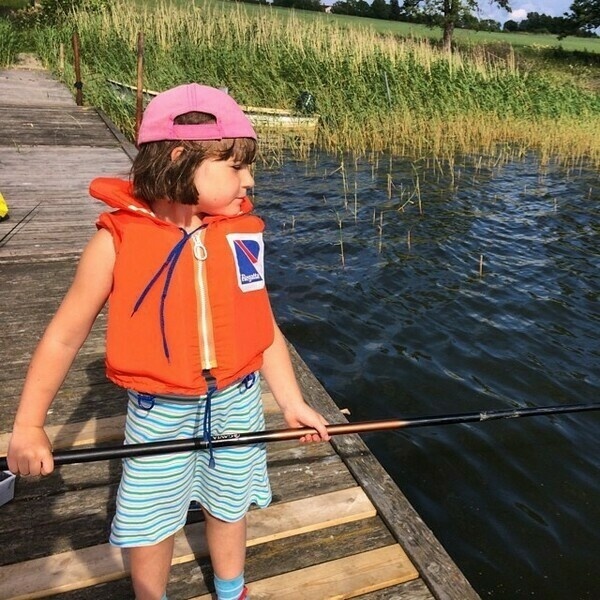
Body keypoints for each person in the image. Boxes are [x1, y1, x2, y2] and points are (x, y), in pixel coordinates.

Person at [6, 83, 330, 600]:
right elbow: (64, 337)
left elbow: (262, 324)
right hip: (161, 412)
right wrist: (28, 426)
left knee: (230, 506)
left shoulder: (240, 233)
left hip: (238, 402)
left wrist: (291, 402)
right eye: (236, 166)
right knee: (150, 521)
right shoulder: (114, 242)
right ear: (180, 158)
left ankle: (231, 590)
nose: (249, 179)